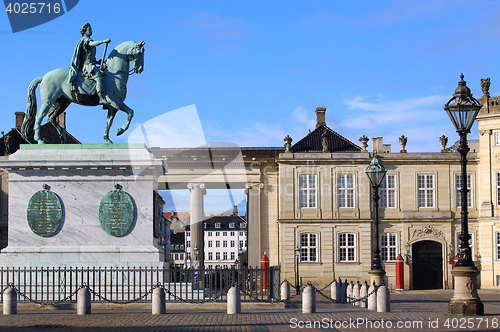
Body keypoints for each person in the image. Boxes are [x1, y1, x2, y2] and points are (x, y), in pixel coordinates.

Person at [68, 23, 110, 104]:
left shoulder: (87, 40)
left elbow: (90, 57)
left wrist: (98, 62)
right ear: (85, 31)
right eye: (89, 30)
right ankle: (100, 97)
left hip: (91, 64)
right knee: (99, 76)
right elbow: (91, 44)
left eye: (91, 30)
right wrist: (102, 41)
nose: (91, 31)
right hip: (87, 66)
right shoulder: (85, 40)